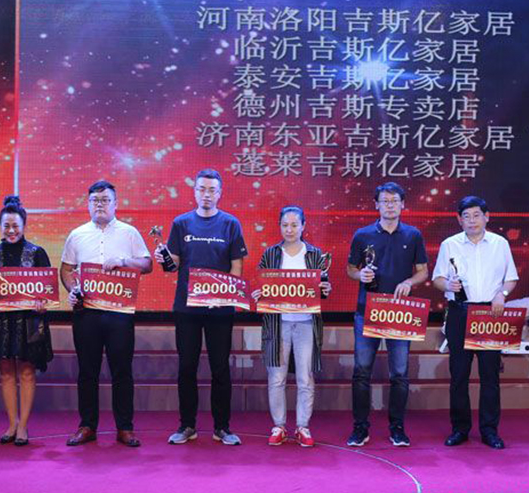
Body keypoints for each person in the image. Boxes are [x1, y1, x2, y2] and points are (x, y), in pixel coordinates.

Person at [155, 169, 248, 446]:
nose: (206, 195)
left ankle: (222, 427)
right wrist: (163, 258)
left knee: (220, 368)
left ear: (220, 193)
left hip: (221, 309)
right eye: (202, 189)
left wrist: (228, 295)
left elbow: (236, 266)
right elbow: (173, 264)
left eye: (212, 190)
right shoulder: (181, 223)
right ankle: (187, 426)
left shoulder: (230, 223)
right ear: (194, 191)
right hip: (187, 309)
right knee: (187, 367)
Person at [61, 181, 152, 448]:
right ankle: (87, 425)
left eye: (105, 200)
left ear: (115, 204)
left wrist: (124, 261)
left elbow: (147, 264)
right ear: (88, 204)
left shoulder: (129, 233)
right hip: (86, 312)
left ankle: (125, 427)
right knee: (87, 371)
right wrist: (72, 288)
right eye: (95, 200)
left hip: (119, 314)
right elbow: (66, 269)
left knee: (121, 371)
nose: (99, 205)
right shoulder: (77, 234)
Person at [346, 182, 429, 448]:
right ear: (377, 205)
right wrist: (360, 274)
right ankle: (360, 428)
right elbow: (350, 268)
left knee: (400, 373)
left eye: (394, 201)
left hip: (400, 312)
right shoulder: (362, 235)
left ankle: (397, 428)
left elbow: (423, 271)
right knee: (361, 372)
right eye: (385, 201)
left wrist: (409, 282)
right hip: (367, 311)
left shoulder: (413, 235)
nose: (390, 205)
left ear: (403, 204)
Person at [433, 196, 518, 450]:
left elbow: (511, 278)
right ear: (459, 220)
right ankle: (460, 429)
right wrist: (448, 285)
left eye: (476, 215)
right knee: (459, 375)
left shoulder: (500, 244)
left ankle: (489, 430)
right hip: (459, 313)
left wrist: (502, 294)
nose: (472, 221)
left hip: (490, 314)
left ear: (487, 217)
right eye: (466, 216)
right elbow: (437, 279)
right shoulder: (449, 244)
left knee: (490, 375)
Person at [254, 205, 331, 447]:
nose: (289, 229)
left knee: (305, 377)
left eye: (294, 225)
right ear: (280, 226)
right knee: (276, 377)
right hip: (278, 323)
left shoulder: (315, 255)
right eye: (285, 225)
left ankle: (302, 427)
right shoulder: (270, 254)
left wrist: (326, 289)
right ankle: (279, 426)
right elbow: (264, 286)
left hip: (306, 322)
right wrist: (259, 294)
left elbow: (322, 289)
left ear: (303, 226)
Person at [0, 195, 54, 446]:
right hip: (0, 320)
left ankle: (23, 425)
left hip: (28, 321)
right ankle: (11, 424)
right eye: (7, 226)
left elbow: (47, 292)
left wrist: (43, 302)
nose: (11, 230)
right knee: (5, 372)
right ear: (0, 226)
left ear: (24, 225)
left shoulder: (37, 253)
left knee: (26, 372)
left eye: (15, 226)